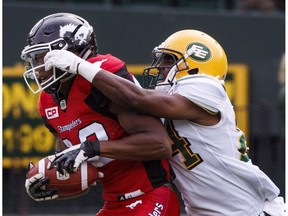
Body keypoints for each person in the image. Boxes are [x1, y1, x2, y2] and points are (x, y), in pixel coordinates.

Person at [44, 29, 286, 215]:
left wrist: (80, 66)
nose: (160, 68)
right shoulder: (167, 99)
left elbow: (136, 98)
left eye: (169, 60)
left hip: (250, 209)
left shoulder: (208, 88)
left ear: (197, 64)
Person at [21, 13, 181, 216]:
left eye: (42, 57)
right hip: (114, 204)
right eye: (33, 60)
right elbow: (85, 177)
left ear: (73, 52)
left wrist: (92, 148)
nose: (37, 69)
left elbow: (160, 145)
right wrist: (49, 184)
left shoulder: (102, 76)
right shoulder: (47, 102)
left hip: (151, 195)